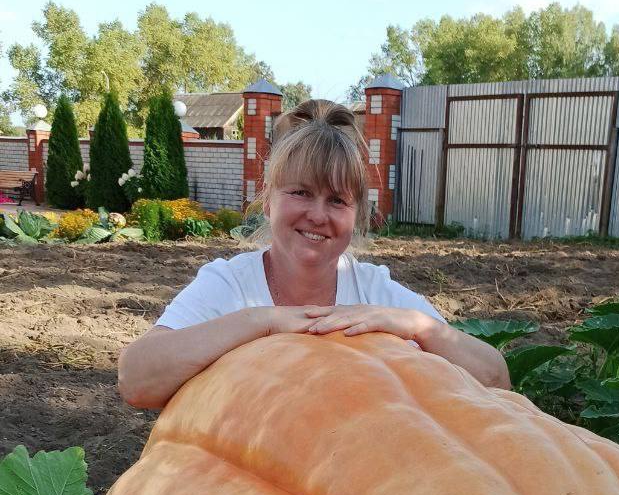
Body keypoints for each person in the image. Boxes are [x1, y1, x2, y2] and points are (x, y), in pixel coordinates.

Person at [117, 99, 510, 409]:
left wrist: (413, 324)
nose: (318, 215)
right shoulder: (229, 284)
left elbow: (495, 380)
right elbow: (136, 381)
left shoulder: (375, 291)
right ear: (268, 201)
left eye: (337, 200)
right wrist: (262, 322)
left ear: (356, 217)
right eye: (300, 192)